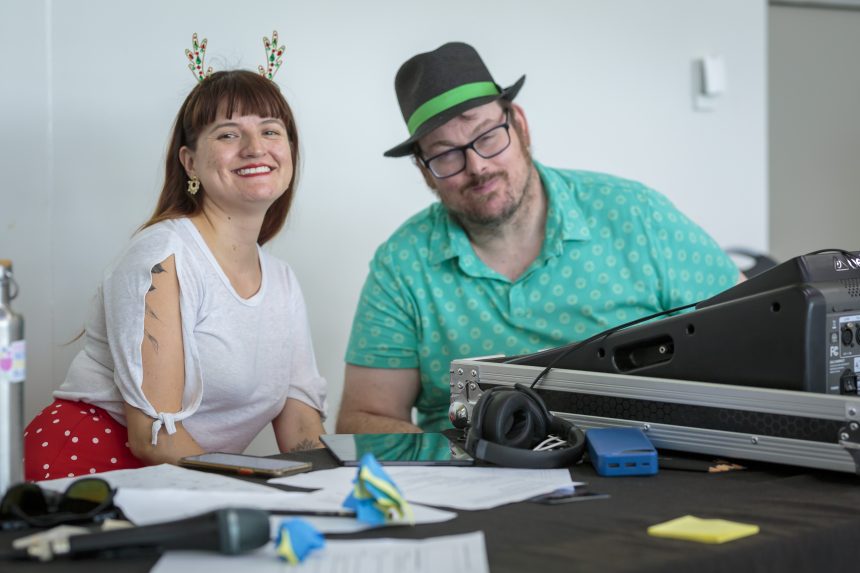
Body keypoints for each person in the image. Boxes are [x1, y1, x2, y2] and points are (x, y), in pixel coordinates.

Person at [337, 42, 741, 434]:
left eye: (488, 136)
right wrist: (459, 458)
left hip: (649, 464)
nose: (477, 166)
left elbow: (748, 328)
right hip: (476, 480)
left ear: (521, 125)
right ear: (425, 171)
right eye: (446, 154)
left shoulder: (636, 215)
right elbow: (364, 417)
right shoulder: (402, 264)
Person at [24, 69, 327, 481]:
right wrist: (255, 492)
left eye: (271, 131)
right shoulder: (162, 257)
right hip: (87, 474)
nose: (256, 148)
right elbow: (155, 438)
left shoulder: (283, 281)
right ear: (190, 162)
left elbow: (301, 431)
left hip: (188, 480)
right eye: (228, 134)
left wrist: (334, 485)